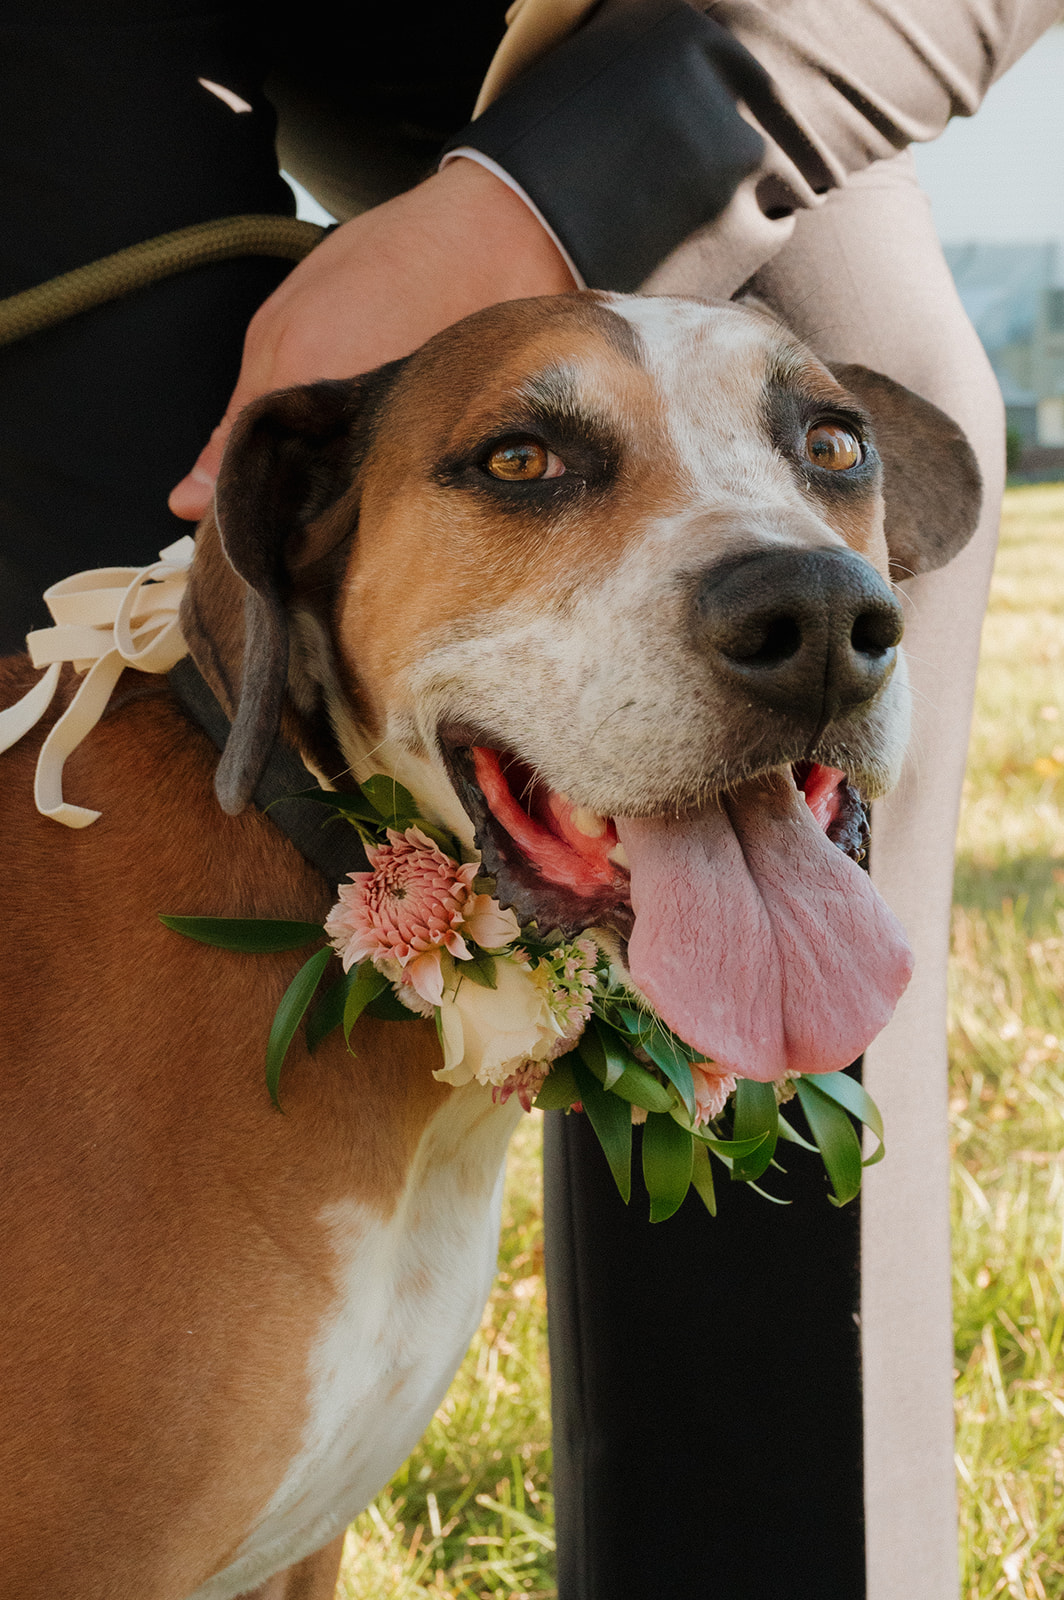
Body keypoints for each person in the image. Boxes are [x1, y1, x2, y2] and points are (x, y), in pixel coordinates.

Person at [1, 3, 1059, 1595]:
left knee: (866, 330)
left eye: (824, 453)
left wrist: (540, 196)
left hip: (695, 17)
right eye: (530, 466)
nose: (816, 594)